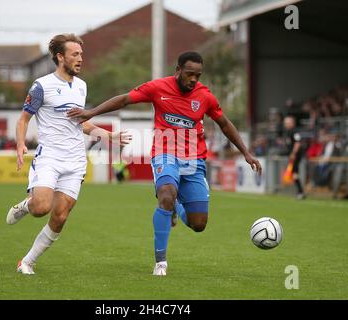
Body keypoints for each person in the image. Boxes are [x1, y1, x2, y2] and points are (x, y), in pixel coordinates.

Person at [68, 51, 262, 276]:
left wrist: (246, 153)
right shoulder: (158, 88)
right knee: (166, 193)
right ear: (178, 70)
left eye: (197, 76)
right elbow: (123, 99)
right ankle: (161, 262)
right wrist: (91, 112)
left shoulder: (205, 97)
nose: (193, 80)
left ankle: (175, 207)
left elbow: (225, 124)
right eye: (189, 74)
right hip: (164, 153)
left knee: (198, 224)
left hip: (194, 160)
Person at [6, 33, 130, 275]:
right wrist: (20, 143)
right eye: (75, 54)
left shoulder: (81, 86)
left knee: (60, 216)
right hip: (50, 157)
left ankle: (27, 262)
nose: (80, 59)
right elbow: (23, 120)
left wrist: (108, 136)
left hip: (75, 161)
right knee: (41, 207)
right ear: (60, 57)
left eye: (81, 54)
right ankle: (25, 205)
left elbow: (80, 123)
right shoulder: (42, 86)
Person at [282, 116, 306, 199]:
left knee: (294, 172)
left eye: (287, 123)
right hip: (293, 155)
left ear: (292, 123)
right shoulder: (288, 132)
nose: (286, 124)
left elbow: (298, 143)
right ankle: (300, 192)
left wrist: (293, 153)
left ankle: (301, 192)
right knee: (294, 173)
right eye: (285, 123)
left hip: (296, 155)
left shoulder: (295, 132)